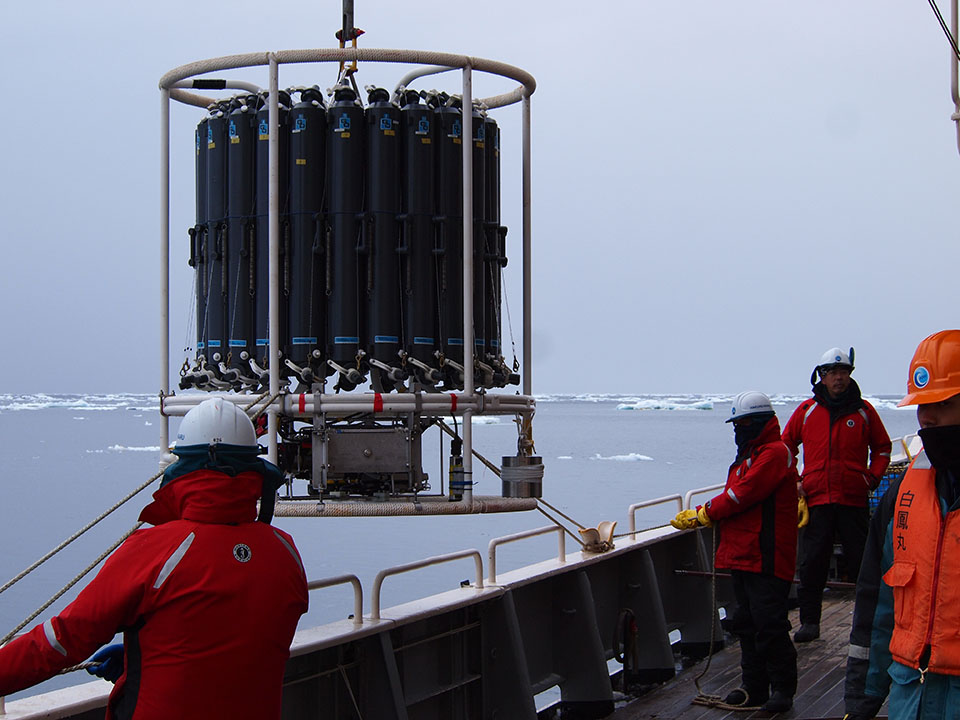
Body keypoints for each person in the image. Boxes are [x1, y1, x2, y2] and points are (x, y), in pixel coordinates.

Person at [0, 398, 309, 719]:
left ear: (184, 464)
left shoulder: (156, 550)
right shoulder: (285, 553)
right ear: (253, 468)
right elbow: (238, 642)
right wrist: (150, 651)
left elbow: (61, 641)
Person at [845, 330, 960, 719]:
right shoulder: (901, 497)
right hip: (911, 698)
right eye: (921, 405)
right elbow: (876, 607)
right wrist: (861, 701)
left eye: (942, 403)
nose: (926, 416)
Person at [671, 390, 799, 712]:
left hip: (767, 556)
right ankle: (753, 688)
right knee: (746, 623)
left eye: (742, 424)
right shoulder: (749, 456)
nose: (737, 430)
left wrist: (704, 512)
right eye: (736, 424)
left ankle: (783, 690)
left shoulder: (773, 454)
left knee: (769, 624)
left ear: (757, 423)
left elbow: (742, 495)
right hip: (744, 553)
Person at [782, 347, 891, 643]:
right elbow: (786, 447)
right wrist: (796, 481)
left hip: (853, 500)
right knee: (812, 562)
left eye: (843, 372)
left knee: (863, 563)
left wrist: (871, 477)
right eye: (832, 373)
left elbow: (882, 448)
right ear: (822, 376)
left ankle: (867, 623)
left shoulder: (864, 412)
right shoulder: (806, 411)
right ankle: (809, 623)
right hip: (817, 500)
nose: (839, 378)